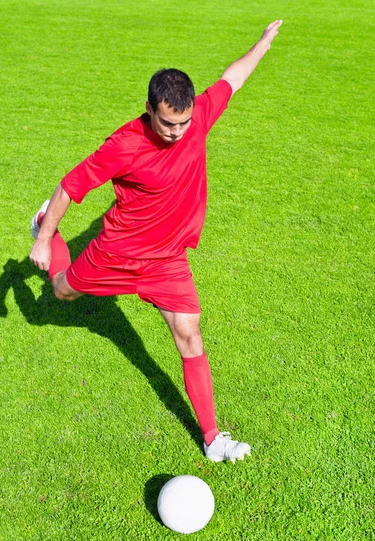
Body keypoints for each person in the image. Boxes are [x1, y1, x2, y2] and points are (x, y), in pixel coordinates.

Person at [30, 20, 282, 463]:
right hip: (117, 252)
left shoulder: (197, 117)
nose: (176, 133)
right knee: (61, 291)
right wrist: (45, 238)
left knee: (189, 334)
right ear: (148, 107)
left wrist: (262, 43)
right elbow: (71, 185)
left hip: (167, 260)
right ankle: (44, 230)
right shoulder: (123, 145)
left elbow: (232, 78)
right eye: (167, 123)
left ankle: (212, 438)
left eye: (183, 123)